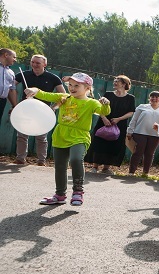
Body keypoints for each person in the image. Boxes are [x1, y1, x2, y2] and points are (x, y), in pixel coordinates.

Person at [25, 73, 110, 206]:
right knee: (60, 166)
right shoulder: (63, 97)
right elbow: (45, 94)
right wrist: (34, 90)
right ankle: (59, 195)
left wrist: (105, 103)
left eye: (77, 85)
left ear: (87, 88)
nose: (72, 88)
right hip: (61, 135)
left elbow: (104, 111)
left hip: (79, 136)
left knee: (76, 159)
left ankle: (78, 191)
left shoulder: (92, 103)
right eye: (70, 85)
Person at [14, 55, 66, 165]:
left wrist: (53, 108)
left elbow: (64, 96)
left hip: (43, 112)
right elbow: (11, 88)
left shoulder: (53, 78)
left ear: (44, 64)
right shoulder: (23, 74)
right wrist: (15, 105)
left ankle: (41, 161)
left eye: (37, 63)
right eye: (32, 62)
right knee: (22, 135)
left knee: (41, 137)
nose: (34, 64)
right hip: (26, 110)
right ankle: (20, 159)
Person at [85, 75, 135, 173]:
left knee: (113, 145)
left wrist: (119, 119)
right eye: (114, 81)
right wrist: (103, 118)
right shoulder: (108, 94)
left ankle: (106, 168)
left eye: (117, 81)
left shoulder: (130, 98)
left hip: (119, 125)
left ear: (124, 84)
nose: (115, 83)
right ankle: (95, 167)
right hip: (104, 123)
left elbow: (131, 112)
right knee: (99, 143)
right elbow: (100, 107)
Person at [127, 91, 159, 176]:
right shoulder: (142, 107)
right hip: (140, 133)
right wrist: (130, 131)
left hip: (155, 136)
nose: (154, 99)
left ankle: (145, 173)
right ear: (149, 98)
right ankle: (131, 172)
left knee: (149, 154)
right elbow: (134, 120)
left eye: (157, 97)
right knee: (137, 152)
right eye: (152, 97)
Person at [0, 48, 18, 129]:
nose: (15, 60)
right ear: (6, 55)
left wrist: (14, 106)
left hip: (1, 102)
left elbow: (11, 90)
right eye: (14, 57)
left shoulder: (11, 73)